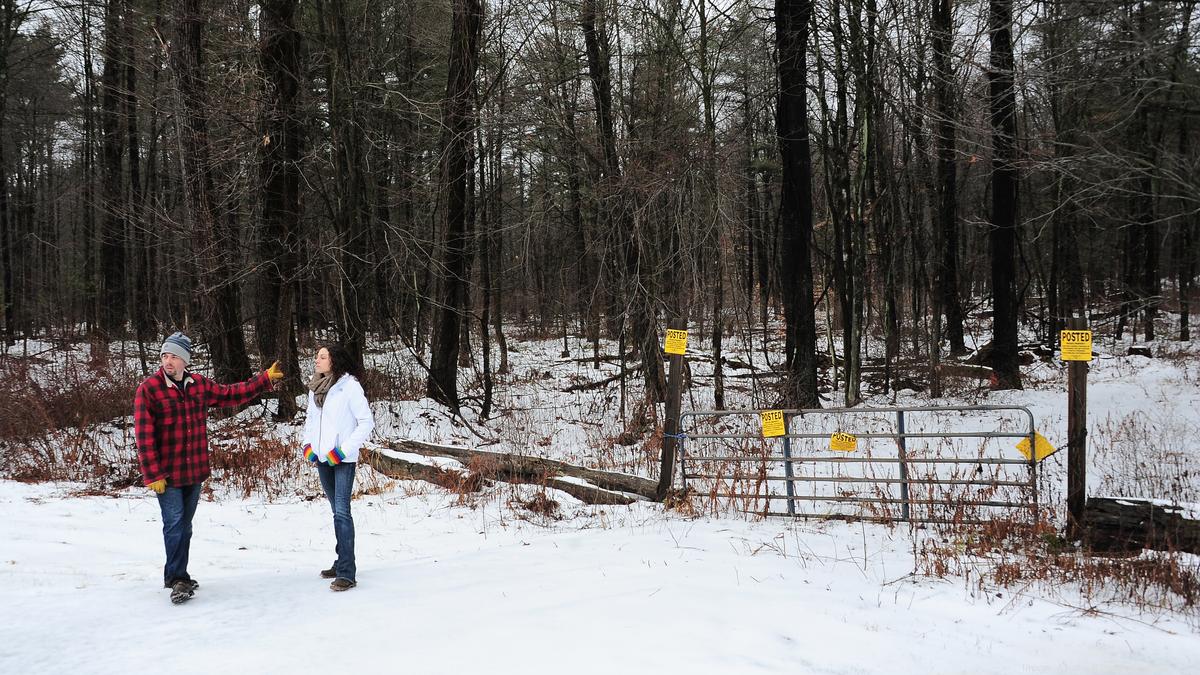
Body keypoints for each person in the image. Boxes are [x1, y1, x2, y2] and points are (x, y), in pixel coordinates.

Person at [134, 332, 284, 604]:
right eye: (165, 356)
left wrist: (263, 380)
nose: (168, 361)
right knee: (174, 524)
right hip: (166, 474)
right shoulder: (149, 389)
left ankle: (174, 575)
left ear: (185, 361)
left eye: (174, 356)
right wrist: (152, 473)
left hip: (193, 470)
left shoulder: (199, 385)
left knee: (185, 526)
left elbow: (230, 394)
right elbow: (144, 436)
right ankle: (178, 579)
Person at [302, 344, 375, 591]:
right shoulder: (315, 387)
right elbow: (310, 420)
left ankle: (347, 573)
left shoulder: (349, 386)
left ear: (335, 360)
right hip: (322, 458)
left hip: (342, 459)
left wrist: (342, 450)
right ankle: (340, 561)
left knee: (342, 512)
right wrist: (307, 446)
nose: (317, 360)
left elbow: (366, 422)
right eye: (317, 356)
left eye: (322, 356)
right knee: (336, 512)